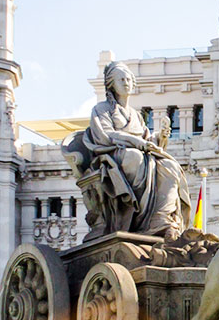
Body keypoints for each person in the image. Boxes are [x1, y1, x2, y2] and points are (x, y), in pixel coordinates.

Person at [65, 61, 194, 240]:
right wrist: (135, 142)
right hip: (111, 156)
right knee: (137, 158)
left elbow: (148, 140)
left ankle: (159, 219)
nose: (126, 83)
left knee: (170, 166)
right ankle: (138, 221)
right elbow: (105, 136)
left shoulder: (135, 115)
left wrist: (161, 137)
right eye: (121, 80)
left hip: (139, 155)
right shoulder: (101, 109)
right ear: (111, 84)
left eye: (128, 79)